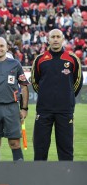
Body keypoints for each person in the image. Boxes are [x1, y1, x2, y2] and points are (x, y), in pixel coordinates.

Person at [31, 29, 83, 161]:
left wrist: (67, 95)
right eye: (52, 37)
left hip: (65, 110)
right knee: (40, 149)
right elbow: (35, 82)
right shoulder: (40, 59)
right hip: (44, 110)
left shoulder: (72, 59)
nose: (55, 39)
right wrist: (46, 95)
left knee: (66, 150)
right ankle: (39, 179)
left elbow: (77, 82)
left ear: (62, 39)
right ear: (48, 39)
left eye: (58, 37)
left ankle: (66, 179)